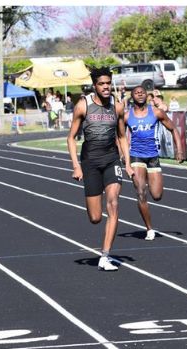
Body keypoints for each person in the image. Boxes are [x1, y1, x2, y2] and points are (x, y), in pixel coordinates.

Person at [67, 67, 133, 271]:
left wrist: (128, 163)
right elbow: (71, 138)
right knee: (95, 217)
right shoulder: (83, 106)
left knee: (113, 203)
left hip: (111, 160)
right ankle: (103, 253)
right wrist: (76, 166)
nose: (106, 87)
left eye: (108, 83)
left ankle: (105, 256)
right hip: (90, 162)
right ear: (95, 86)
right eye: (101, 84)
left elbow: (122, 136)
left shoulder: (117, 106)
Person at [125, 86, 183, 241]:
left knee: (157, 195)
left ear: (147, 96)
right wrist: (122, 154)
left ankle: (150, 220)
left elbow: (174, 129)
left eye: (143, 92)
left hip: (153, 157)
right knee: (140, 193)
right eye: (137, 93)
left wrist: (179, 150)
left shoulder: (156, 112)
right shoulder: (127, 116)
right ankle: (149, 228)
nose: (140, 94)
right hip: (136, 156)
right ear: (132, 97)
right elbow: (119, 136)